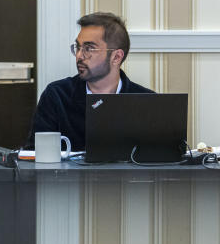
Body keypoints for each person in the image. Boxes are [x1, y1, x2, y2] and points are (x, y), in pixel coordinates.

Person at [27, 12, 153, 151]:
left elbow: (161, 161)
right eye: (78, 47)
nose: (79, 56)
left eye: (89, 48)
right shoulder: (57, 95)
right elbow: (34, 155)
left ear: (116, 57)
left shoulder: (147, 102)